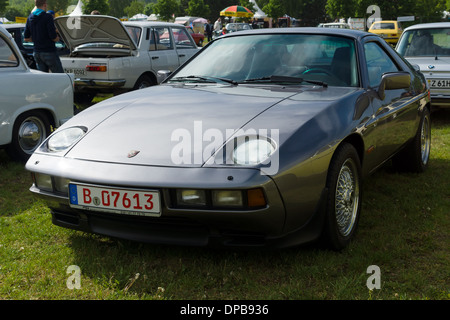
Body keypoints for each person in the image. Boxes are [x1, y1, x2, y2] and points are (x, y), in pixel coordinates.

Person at [24, 0, 63, 73]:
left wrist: (37, 38)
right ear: (45, 5)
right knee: (59, 76)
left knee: (43, 77)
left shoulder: (30, 17)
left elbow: (26, 38)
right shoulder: (48, 17)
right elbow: (53, 37)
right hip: (49, 51)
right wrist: (57, 38)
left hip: (37, 52)